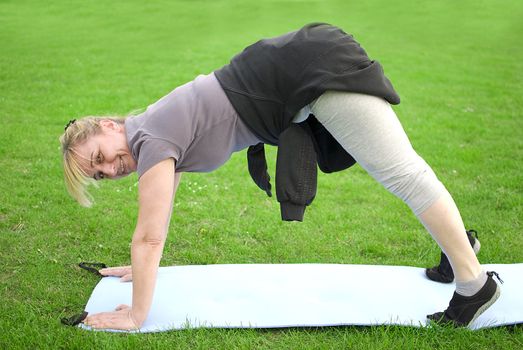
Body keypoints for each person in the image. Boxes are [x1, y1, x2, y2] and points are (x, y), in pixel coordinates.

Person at [60, 23, 501, 330]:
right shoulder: (152, 134)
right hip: (298, 71)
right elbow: (157, 222)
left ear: (111, 125)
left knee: (404, 174)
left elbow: (149, 238)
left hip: (309, 74)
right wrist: (140, 270)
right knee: (402, 172)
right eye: (97, 173)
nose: (108, 168)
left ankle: (473, 285)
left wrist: (136, 315)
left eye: (100, 155)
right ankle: (460, 249)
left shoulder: (151, 139)